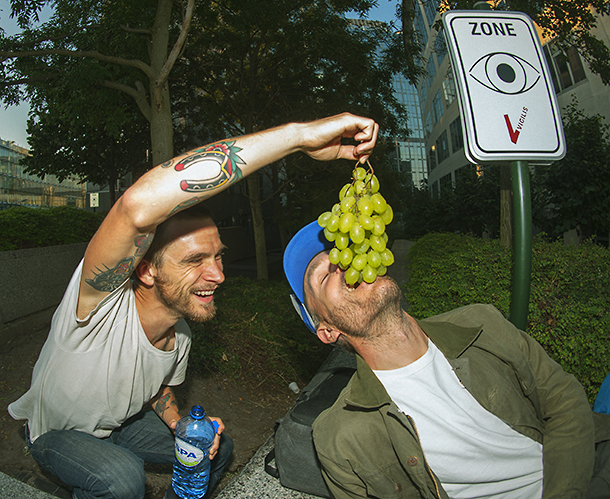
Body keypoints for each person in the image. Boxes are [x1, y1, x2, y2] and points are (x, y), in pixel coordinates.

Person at [7, 113, 379, 499]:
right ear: (147, 270)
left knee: (217, 451)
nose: (218, 275)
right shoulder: (97, 306)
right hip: (55, 435)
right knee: (121, 477)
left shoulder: (180, 335)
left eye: (218, 257)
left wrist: (179, 425)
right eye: (194, 260)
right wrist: (298, 137)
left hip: (119, 427)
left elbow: (154, 389)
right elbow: (135, 207)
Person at [283, 220, 610, 499]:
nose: (347, 263)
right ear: (326, 331)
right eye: (324, 276)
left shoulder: (481, 322)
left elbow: (566, 403)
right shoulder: (339, 440)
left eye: (348, 252)